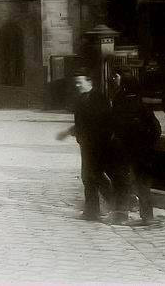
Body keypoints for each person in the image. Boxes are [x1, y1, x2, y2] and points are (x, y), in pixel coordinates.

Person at [56, 72, 114, 221]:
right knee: (91, 177)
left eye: (79, 82)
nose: (77, 85)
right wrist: (70, 132)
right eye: (76, 82)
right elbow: (82, 123)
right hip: (87, 145)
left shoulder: (99, 98)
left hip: (98, 145)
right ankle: (101, 208)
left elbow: (105, 122)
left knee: (91, 177)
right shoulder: (82, 99)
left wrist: (100, 140)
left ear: (90, 82)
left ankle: (97, 210)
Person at [110, 74, 163, 225]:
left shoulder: (118, 105)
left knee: (122, 182)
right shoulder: (142, 107)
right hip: (141, 152)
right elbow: (156, 130)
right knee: (143, 184)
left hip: (123, 152)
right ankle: (147, 216)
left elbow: (113, 128)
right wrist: (147, 143)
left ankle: (121, 214)